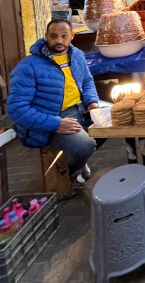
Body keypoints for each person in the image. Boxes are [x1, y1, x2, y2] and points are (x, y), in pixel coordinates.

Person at [7, 18, 100, 187]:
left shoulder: (76, 55)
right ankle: (70, 173)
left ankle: (78, 162)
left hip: (79, 109)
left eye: (64, 36)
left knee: (113, 122)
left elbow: (87, 81)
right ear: (46, 37)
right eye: (53, 36)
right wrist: (55, 124)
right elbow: (16, 109)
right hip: (50, 119)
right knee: (85, 146)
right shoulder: (28, 66)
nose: (59, 41)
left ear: (72, 36)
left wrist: (92, 102)